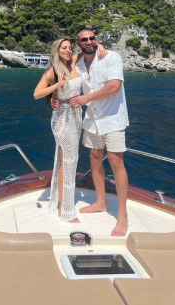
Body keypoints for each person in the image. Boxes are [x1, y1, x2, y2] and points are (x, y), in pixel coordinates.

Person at [68, 28, 129, 236]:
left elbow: (114, 87)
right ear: (78, 43)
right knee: (94, 158)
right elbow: (62, 61)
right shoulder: (77, 62)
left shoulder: (111, 57)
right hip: (92, 119)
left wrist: (86, 98)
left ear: (96, 40)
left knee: (115, 161)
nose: (89, 42)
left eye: (92, 38)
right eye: (84, 39)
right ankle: (101, 202)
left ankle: (122, 215)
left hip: (113, 118)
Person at [33, 38, 82, 222]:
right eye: (64, 48)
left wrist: (99, 46)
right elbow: (37, 94)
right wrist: (57, 86)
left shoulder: (74, 62)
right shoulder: (52, 72)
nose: (68, 50)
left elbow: (88, 50)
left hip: (76, 116)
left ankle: (60, 202)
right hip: (62, 118)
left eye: (70, 47)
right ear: (57, 50)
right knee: (68, 160)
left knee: (68, 160)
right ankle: (65, 209)